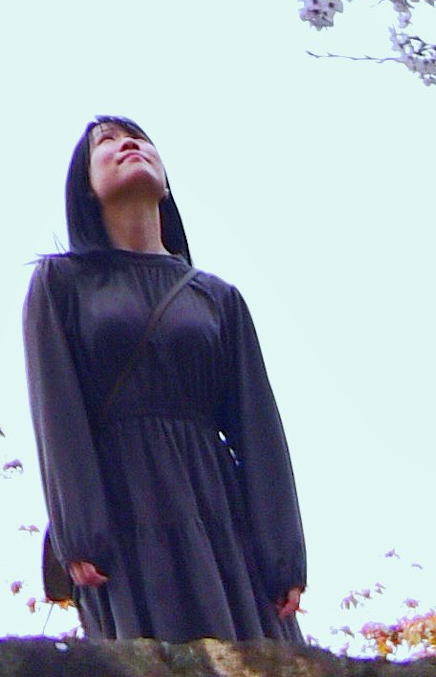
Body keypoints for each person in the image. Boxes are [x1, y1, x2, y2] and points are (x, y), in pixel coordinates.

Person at [23, 110, 304, 642]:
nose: (128, 145)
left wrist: (283, 556)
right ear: (84, 188)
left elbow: (260, 430)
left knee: (255, 664)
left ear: (167, 183)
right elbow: (56, 411)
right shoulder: (61, 282)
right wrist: (80, 531)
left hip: (218, 504)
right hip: (125, 506)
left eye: (139, 139)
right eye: (106, 143)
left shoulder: (217, 297)